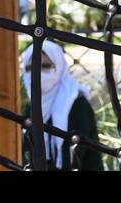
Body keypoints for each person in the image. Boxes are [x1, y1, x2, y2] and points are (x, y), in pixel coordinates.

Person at [20, 41, 103, 171]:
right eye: (30, 68)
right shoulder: (31, 107)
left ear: (59, 67)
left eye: (45, 65)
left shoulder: (76, 103)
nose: (37, 73)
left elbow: (76, 155)